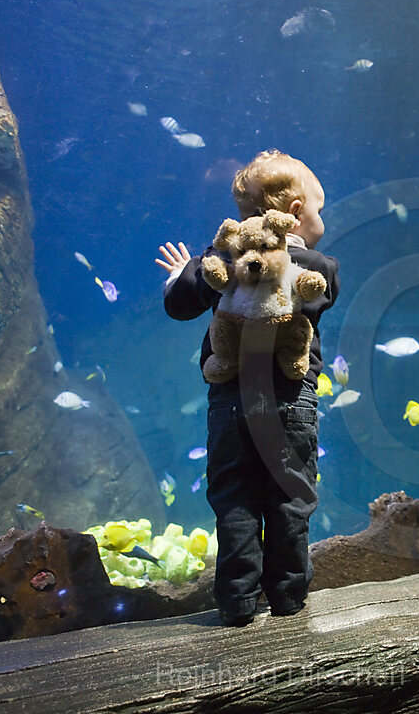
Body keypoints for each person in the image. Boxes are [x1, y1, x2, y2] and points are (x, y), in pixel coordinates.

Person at [156, 150, 340, 623]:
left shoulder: (223, 257)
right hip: (289, 400)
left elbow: (178, 305)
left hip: (231, 401)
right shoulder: (312, 261)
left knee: (234, 495)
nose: (322, 218)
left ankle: (237, 602)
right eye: (320, 209)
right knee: (289, 494)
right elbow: (325, 289)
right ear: (297, 212)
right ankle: (288, 597)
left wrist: (184, 274)